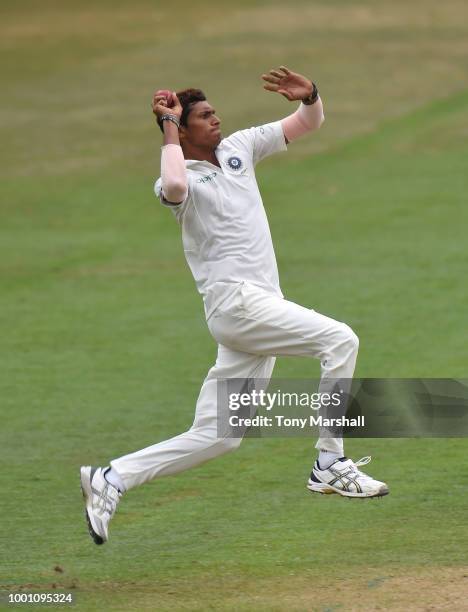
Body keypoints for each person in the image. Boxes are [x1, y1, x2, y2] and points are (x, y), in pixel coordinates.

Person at [80, 66, 388, 545]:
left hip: (257, 308)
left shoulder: (240, 148)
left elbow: (307, 125)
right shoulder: (176, 179)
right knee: (340, 340)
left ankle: (112, 478)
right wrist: (166, 126)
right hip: (236, 305)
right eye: (202, 117)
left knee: (220, 436)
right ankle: (330, 462)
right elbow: (177, 189)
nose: (215, 119)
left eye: (213, 111)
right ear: (181, 132)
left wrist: (310, 98)